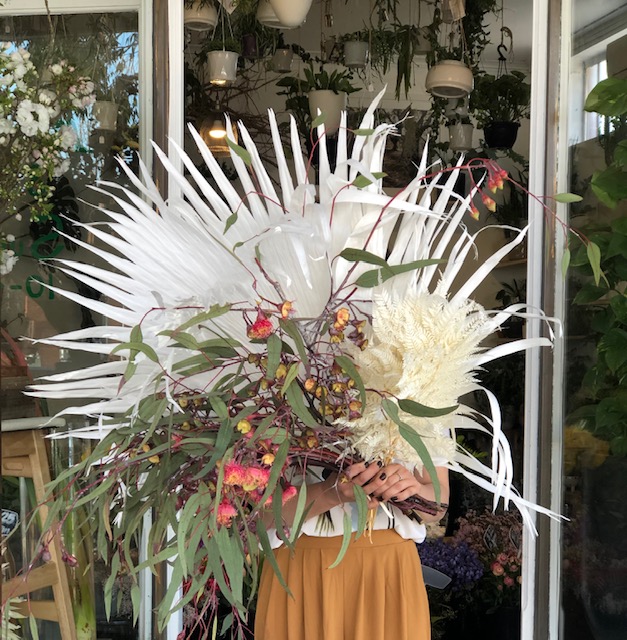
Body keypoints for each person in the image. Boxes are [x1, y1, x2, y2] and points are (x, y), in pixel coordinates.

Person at [254, 459, 450, 640]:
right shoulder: (274, 430)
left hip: (387, 572)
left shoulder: (426, 429)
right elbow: (258, 514)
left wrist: (408, 489)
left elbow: (438, 506)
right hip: (300, 573)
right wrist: (329, 493)